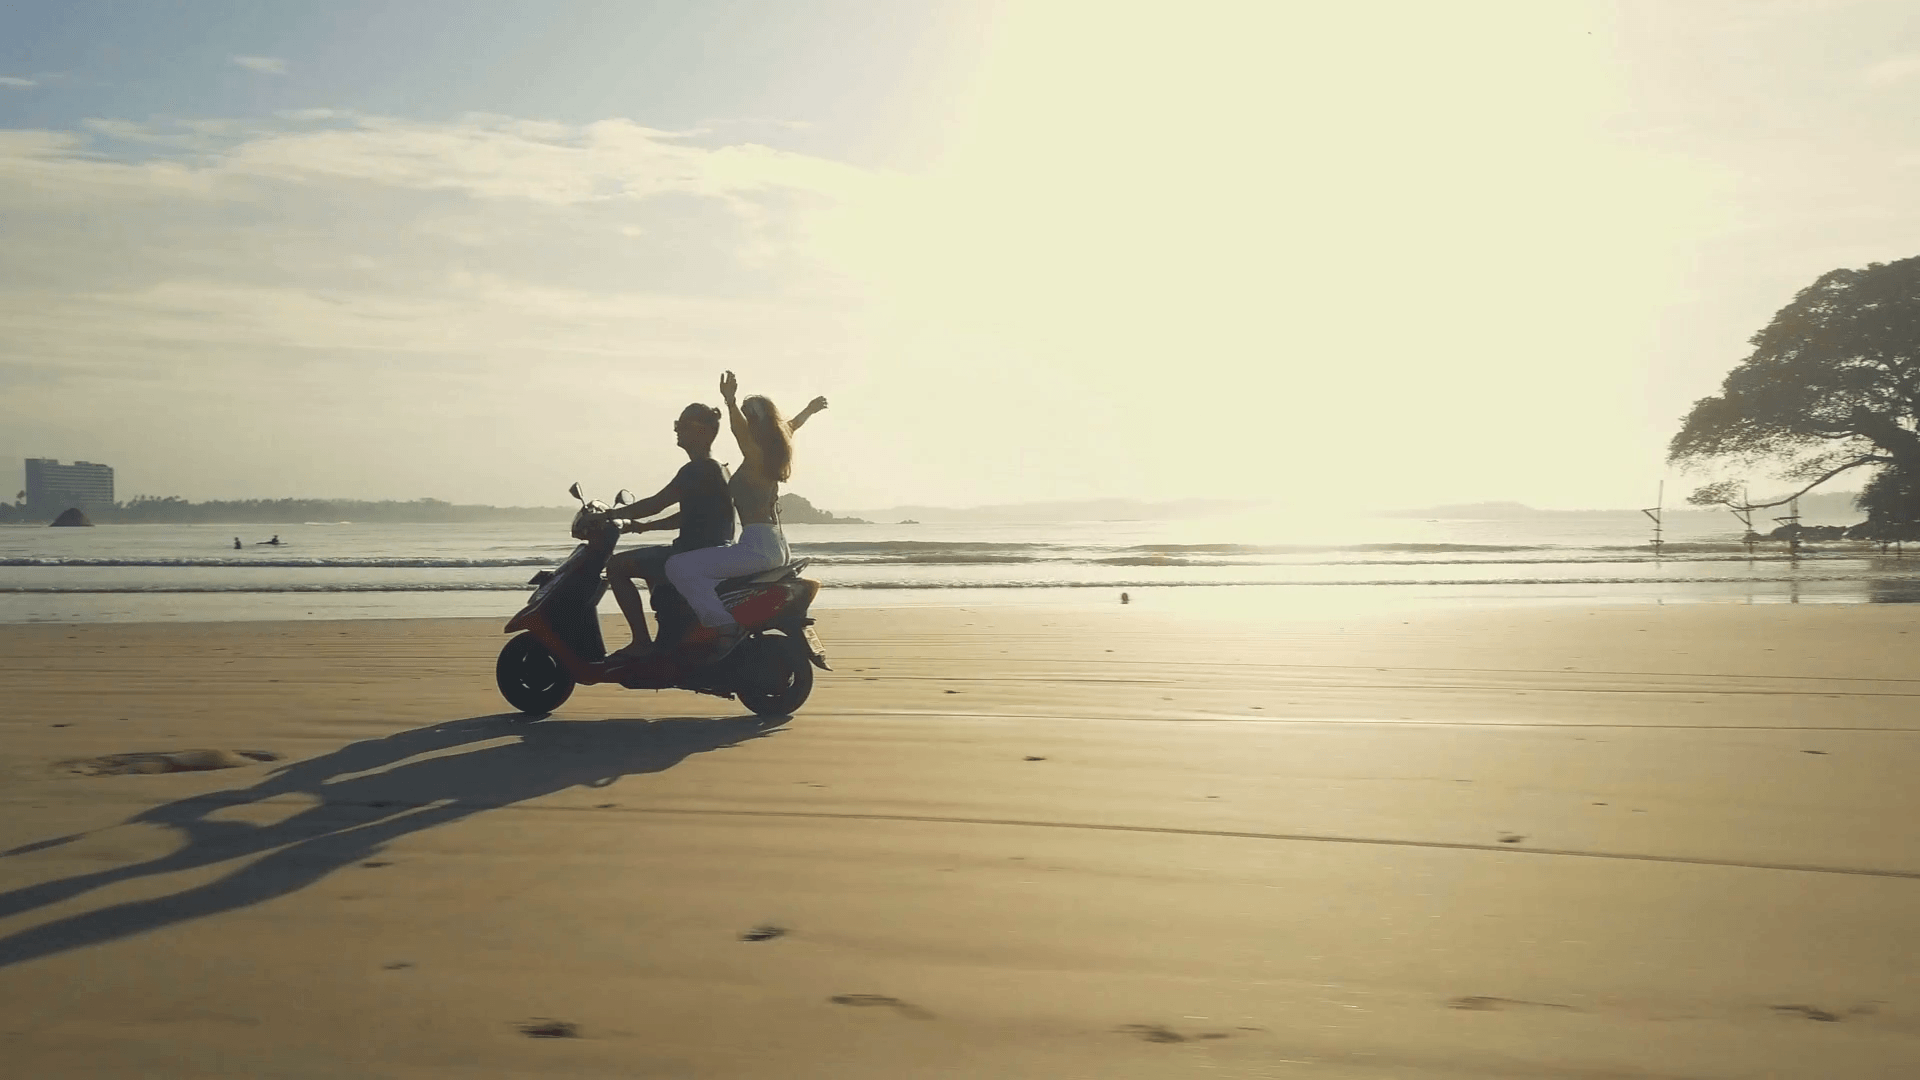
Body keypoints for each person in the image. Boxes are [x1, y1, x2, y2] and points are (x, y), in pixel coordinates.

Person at [666, 371, 827, 656]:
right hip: (777, 545)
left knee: (678, 567)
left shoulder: (755, 457)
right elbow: (792, 426)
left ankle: (723, 626)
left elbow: (740, 432)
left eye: (749, 416)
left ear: (758, 424)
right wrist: (810, 410)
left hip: (758, 545)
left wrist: (729, 401)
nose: (745, 421)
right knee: (707, 574)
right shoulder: (774, 452)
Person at [598, 403, 736, 659]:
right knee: (651, 570)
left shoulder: (697, 469)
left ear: (703, 431)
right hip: (709, 551)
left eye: (683, 426)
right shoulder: (719, 468)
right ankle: (669, 635)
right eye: (677, 425)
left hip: (693, 553)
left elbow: (657, 503)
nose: (677, 430)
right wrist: (643, 527)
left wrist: (612, 514)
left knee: (617, 566)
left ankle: (641, 642)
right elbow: (689, 516)